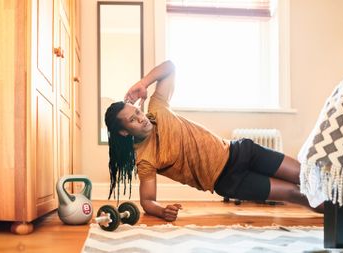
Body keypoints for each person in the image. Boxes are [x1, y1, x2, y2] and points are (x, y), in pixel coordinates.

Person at [104, 61, 321, 222]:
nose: (141, 118)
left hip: (241, 151)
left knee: (307, 174)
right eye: (132, 119)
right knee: (296, 193)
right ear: (124, 133)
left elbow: (170, 67)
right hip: (229, 181)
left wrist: (143, 82)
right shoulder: (145, 159)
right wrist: (162, 210)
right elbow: (147, 200)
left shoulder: (157, 109)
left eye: (137, 112)